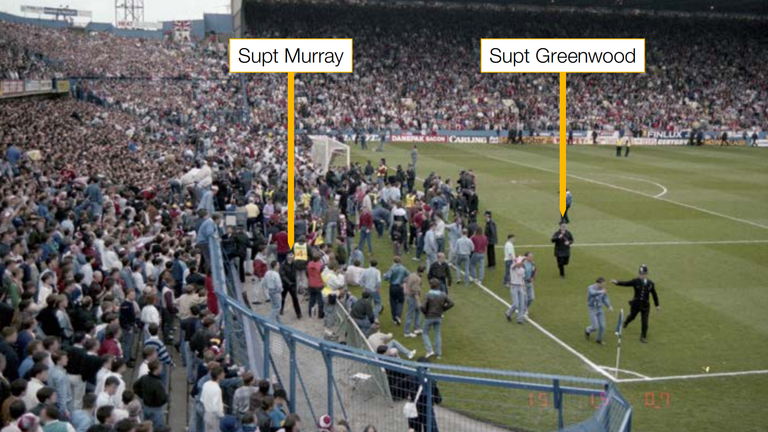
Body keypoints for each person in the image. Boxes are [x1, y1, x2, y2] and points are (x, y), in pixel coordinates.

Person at [612, 265, 660, 343]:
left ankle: (643, 336)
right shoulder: (635, 281)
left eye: (643, 274)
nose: (641, 275)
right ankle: (626, 322)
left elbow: (654, 294)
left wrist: (657, 305)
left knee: (645, 321)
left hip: (645, 305)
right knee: (632, 317)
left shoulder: (650, 283)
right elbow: (626, 283)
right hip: (636, 304)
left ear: (646, 274)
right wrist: (617, 282)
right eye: (640, 273)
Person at [420, 279, 454, 359]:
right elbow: (451, 303)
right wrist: (443, 309)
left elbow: (422, 307)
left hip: (429, 317)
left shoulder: (428, 295)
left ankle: (429, 350)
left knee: (425, 333)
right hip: (438, 316)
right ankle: (438, 354)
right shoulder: (443, 295)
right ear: (438, 286)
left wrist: (425, 313)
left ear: (430, 285)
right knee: (437, 334)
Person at [132, 360, 167, 429]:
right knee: (157, 427)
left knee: (146, 426)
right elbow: (163, 398)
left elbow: (135, 387)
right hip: (156, 409)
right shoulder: (158, 383)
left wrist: (142, 396)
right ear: (156, 369)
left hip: (145, 406)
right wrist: (165, 398)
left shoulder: (144, 378)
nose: (161, 369)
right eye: (160, 368)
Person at [585, 277, 613, 345]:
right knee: (595, 326)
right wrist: (601, 292)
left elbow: (605, 298)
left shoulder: (603, 289)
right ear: (597, 283)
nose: (603, 286)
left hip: (599, 308)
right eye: (602, 284)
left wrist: (609, 306)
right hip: (592, 309)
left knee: (602, 326)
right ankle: (588, 330)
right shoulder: (590, 288)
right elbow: (592, 293)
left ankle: (598, 339)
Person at [383, 256, 409, 326]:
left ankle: (394, 318)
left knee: (393, 302)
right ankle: (398, 315)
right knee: (401, 301)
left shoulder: (392, 268)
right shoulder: (404, 268)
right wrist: (405, 280)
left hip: (393, 286)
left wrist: (384, 275)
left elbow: (387, 277)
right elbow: (409, 275)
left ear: (393, 261)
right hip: (400, 286)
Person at [403, 265, 424, 338]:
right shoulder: (417, 279)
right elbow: (415, 292)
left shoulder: (412, 274)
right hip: (412, 298)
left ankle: (417, 328)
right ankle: (407, 332)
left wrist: (405, 290)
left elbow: (405, 280)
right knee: (410, 315)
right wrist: (419, 302)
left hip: (408, 296)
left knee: (418, 312)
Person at [202, 366, 225, 432]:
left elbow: (202, 399)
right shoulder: (217, 389)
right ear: (218, 376)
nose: (224, 374)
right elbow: (216, 408)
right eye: (223, 373)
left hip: (206, 414)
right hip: (214, 417)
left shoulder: (206, 384)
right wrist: (222, 416)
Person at [504, 257, 526, 325]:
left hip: (520, 286)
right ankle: (508, 313)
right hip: (513, 286)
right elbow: (515, 266)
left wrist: (524, 288)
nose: (523, 263)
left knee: (522, 304)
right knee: (516, 304)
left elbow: (522, 279)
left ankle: (520, 319)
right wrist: (517, 261)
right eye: (523, 261)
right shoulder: (513, 266)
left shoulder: (522, 269)